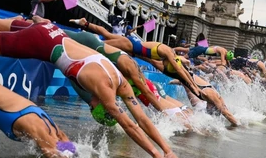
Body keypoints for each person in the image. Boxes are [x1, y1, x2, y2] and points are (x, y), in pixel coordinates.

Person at [0, 6, 183, 158]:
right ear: (101, 106)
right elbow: (132, 125)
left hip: (52, 31)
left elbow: (142, 120)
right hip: (42, 42)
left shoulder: (120, 82)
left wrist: (168, 151)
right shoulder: (102, 93)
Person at [74, 17, 204, 100]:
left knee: (106, 36)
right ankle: (81, 32)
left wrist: (194, 86)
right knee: (100, 43)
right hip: (132, 45)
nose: (165, 66)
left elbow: (184, 73)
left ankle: (85, 24)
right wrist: (195, 86)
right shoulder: (169, 53)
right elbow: (180, 70)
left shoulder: (163, 58)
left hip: (135, 50)